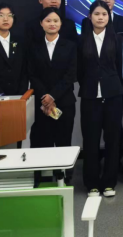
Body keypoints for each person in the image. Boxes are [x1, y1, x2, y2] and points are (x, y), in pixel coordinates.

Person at [78, 1, 123, 198]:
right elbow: (79, 70)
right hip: (90, 96)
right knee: (91, 140)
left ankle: (109, 182)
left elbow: (120, 67)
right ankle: (92, 183)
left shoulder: (117, 39)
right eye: (96, 14)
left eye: (104, 14)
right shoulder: (81, 39)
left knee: (113, 140)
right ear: (90, 17)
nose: (100, 17)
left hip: (113, 95)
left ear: (109, 16)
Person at [28, 8, 77, 151]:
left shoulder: (70, 46)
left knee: (63, 143)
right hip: (41, 103)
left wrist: (53, 96)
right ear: (41, 23)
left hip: (65, 102)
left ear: (61, 23)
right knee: (41, 144)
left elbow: (70, 74)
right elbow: (32, 74)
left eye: (56, 21)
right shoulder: (33, 47)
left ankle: (63, 168)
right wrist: (45, 97)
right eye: (48, 21)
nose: (52, 24)